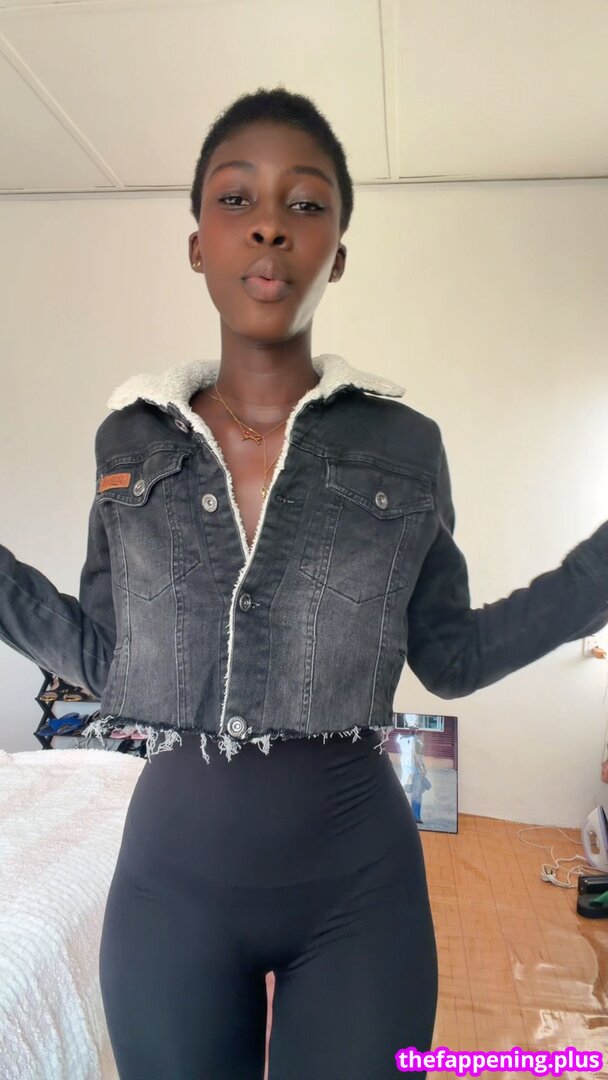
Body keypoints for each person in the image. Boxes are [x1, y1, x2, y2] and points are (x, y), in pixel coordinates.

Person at [1, 87, 607, 1080]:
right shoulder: (130, 441)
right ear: (197, 243)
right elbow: (113, 660)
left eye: (307, 202)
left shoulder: (403, 443)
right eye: (236, 198)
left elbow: (452, 656)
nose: (270, 225)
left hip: (358, 892)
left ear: (337, 251)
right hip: (168, 892)